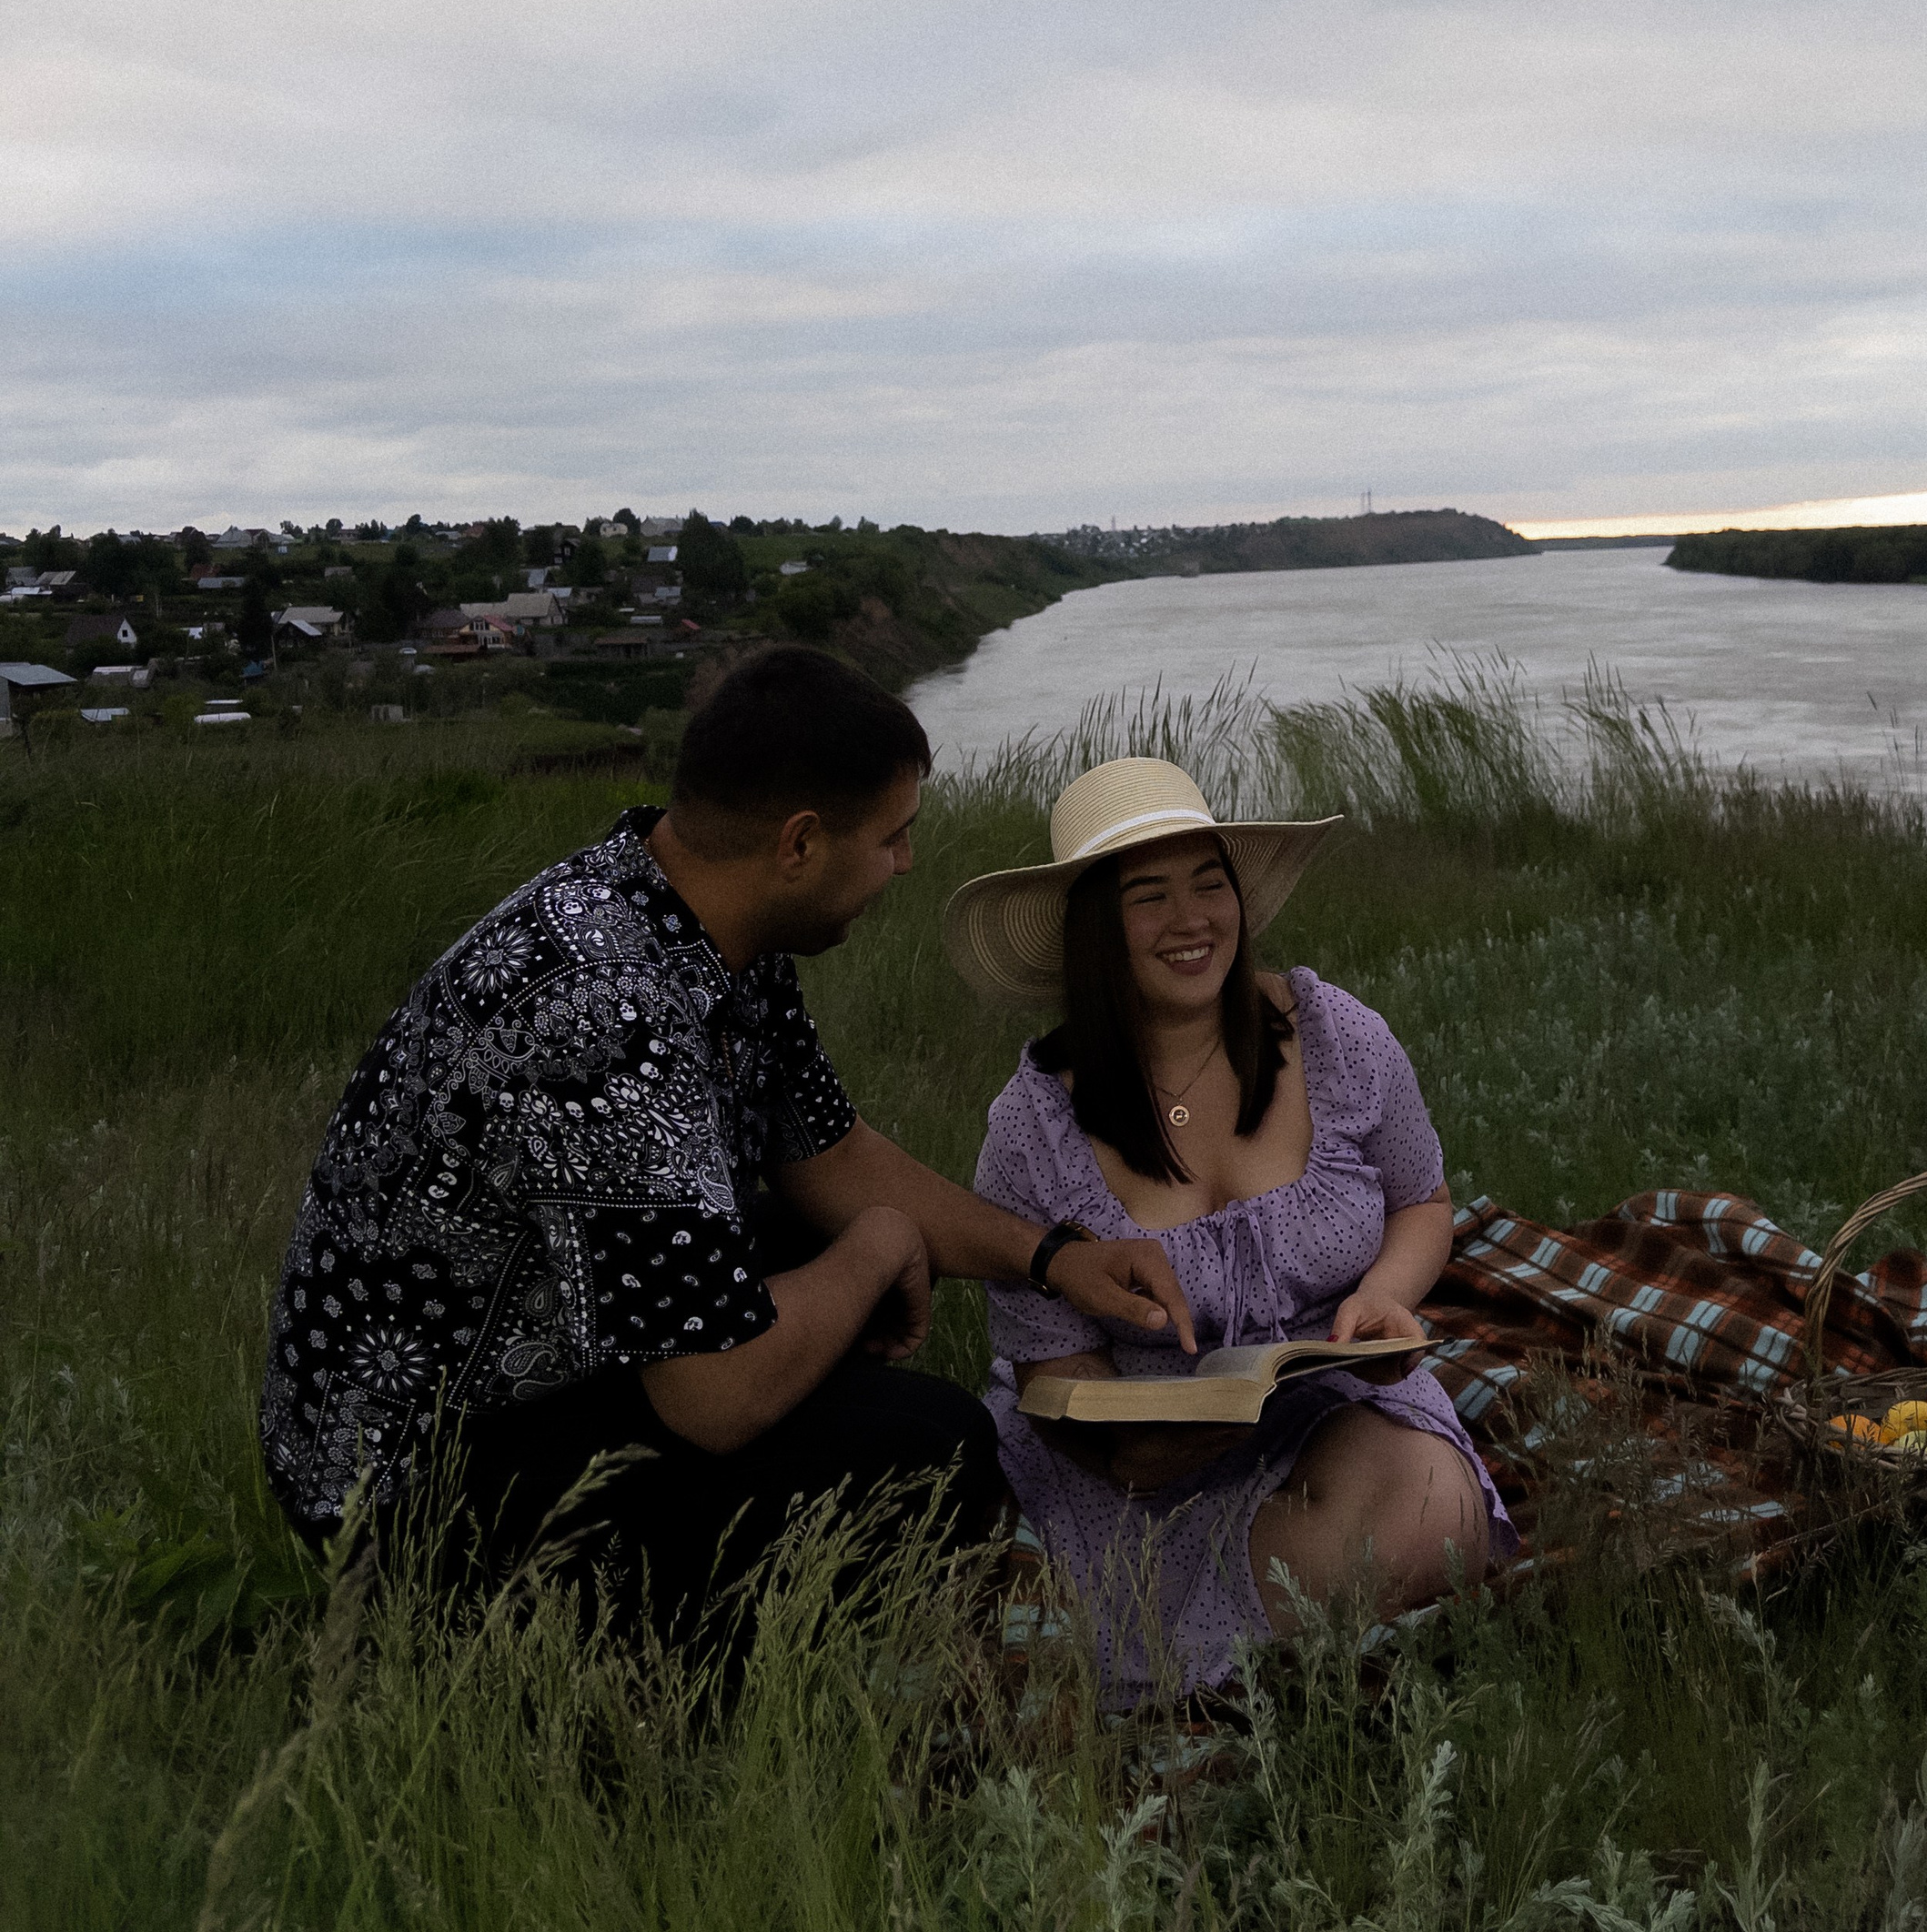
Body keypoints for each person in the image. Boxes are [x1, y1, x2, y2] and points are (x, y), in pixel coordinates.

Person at [258, 647, 1203, 1643]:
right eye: (892, 836)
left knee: (799, 1252)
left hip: (548, 1381)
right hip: (414, 1492)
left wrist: (1054, 1256)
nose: (905, 863)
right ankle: (647, 1688)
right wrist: (879, 1248)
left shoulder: (703, 927)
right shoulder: (604, 1009)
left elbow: (832, 1156)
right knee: (933, 1447)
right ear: (800, 842)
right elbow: (714, 1396)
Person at [943, 756, 1511, 1699]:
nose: (1192, 919)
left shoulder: (1334, 1034)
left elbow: (1423, 1198)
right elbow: (1052, 1368)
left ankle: (1260, 1639)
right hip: (1138, 1469)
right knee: (1275, 1570)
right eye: (1150, 896)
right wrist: (1126, 1453)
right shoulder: (1033, 1129)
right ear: (1095, 929)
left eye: (1211, 883)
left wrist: (1383, 1295)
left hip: (1332, 1401)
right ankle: (1238, 1645)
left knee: (1427, 1513)